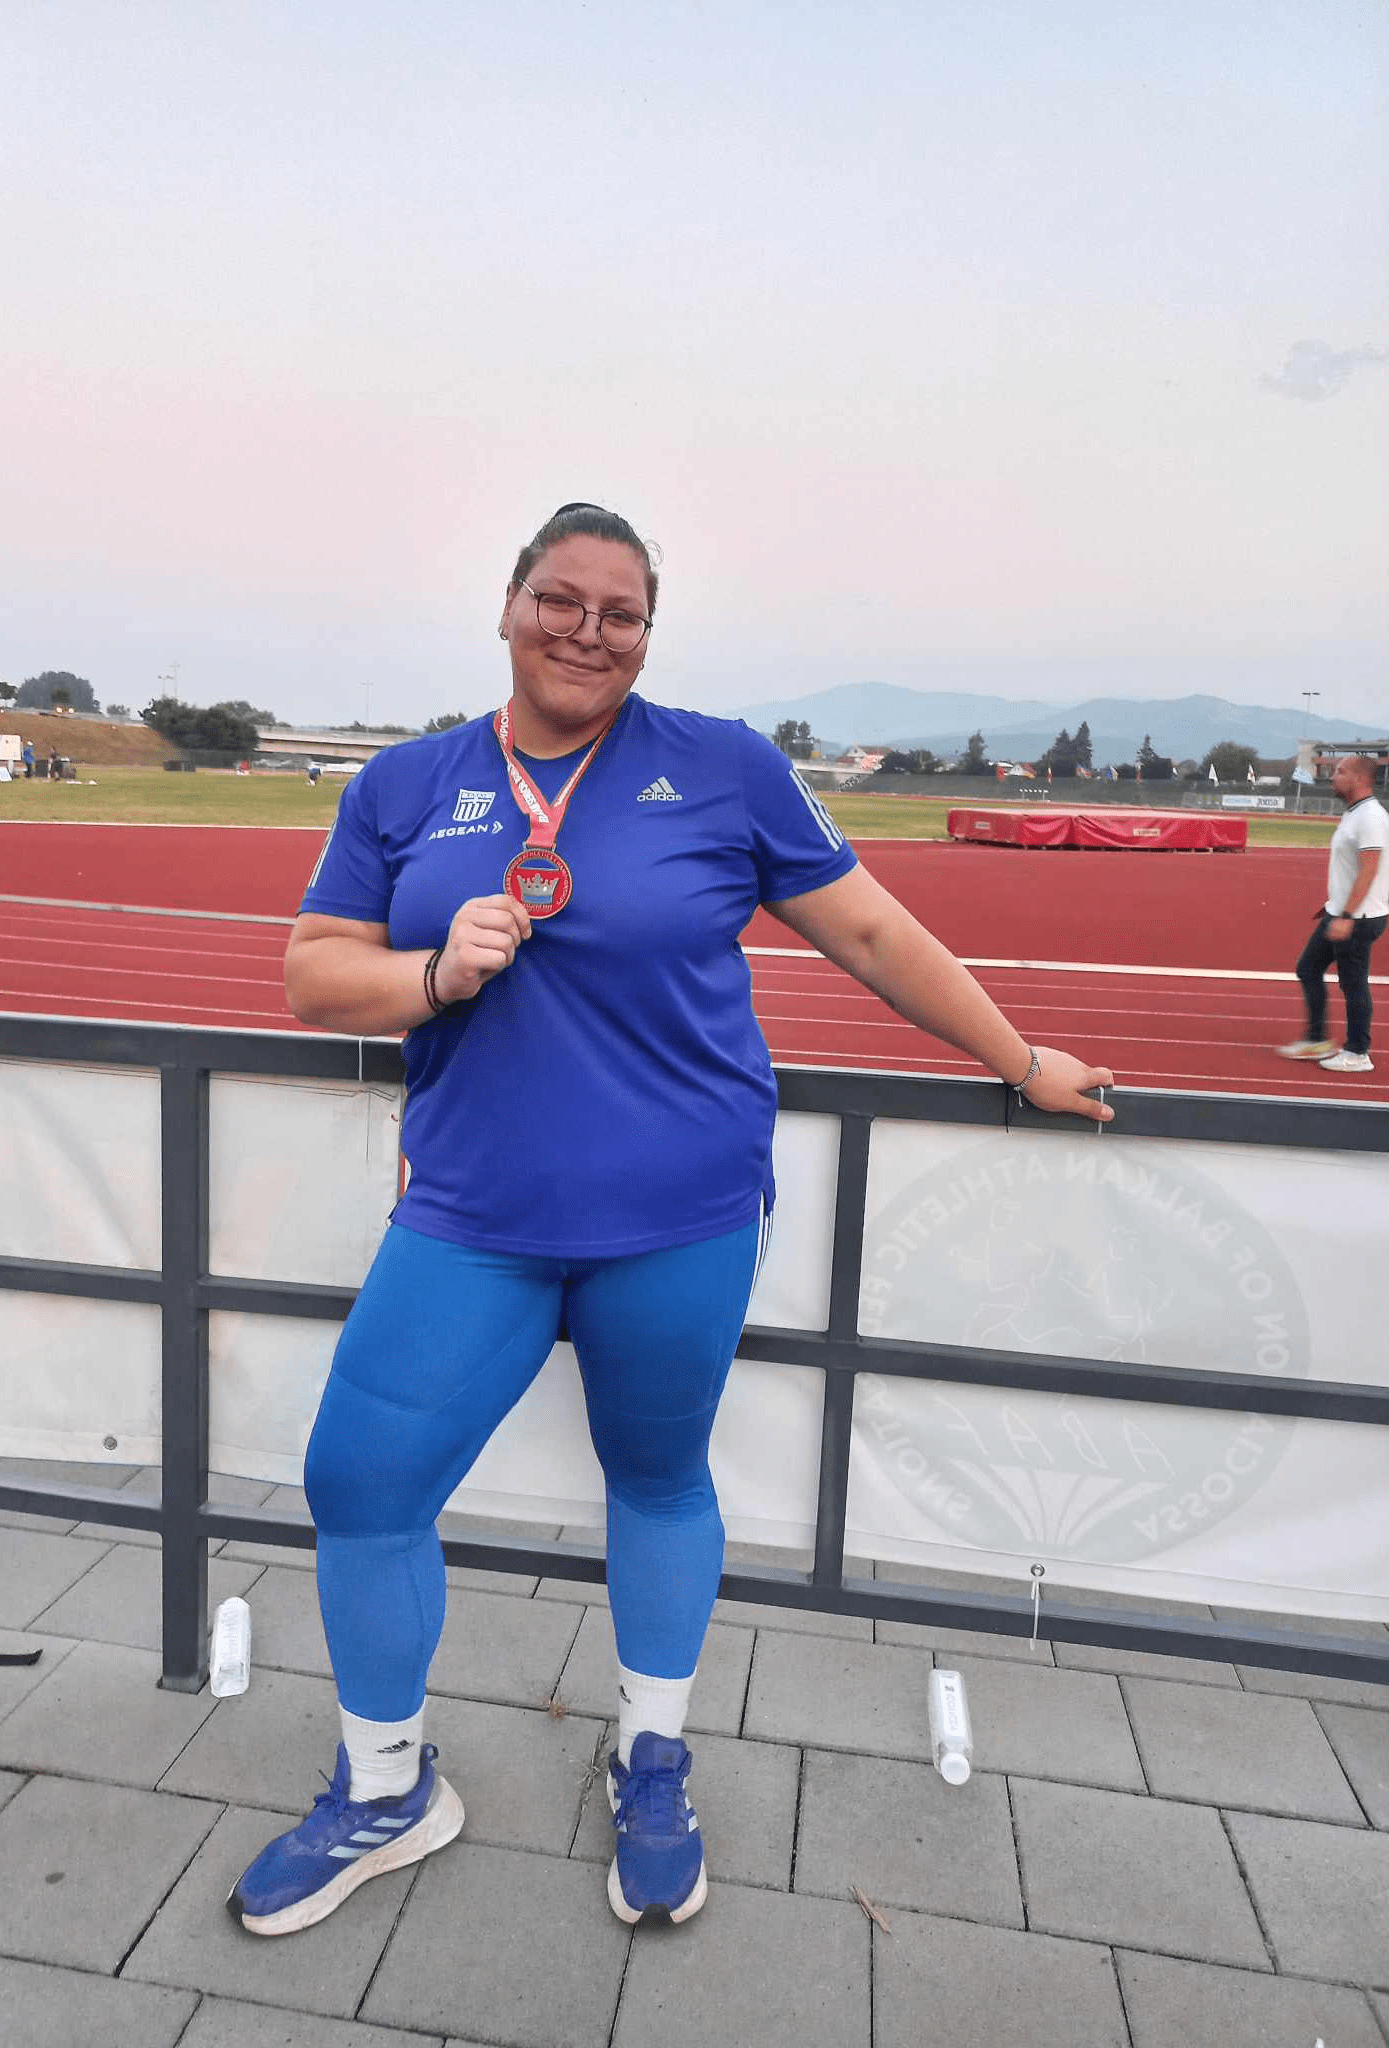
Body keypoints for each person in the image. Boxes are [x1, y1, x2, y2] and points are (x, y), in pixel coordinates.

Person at [226, 501, 1115, 1939]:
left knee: (655, 1477)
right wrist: (433, 972)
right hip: (471, 1215)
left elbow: (871, 931)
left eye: (621, 612)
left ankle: (651, 1758)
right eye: (559, 599)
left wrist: (1020, 1060)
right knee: (362, 1482)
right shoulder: (406, 783)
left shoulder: (723, 766)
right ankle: (388, 1788)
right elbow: (313, 972)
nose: (587, 631)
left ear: (649, 633)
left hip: (678, 1214)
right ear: (508, 605)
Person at [1278, 753, 1389, 1074]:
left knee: (1353, 984)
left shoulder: (1371, 817)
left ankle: (1358, 1052)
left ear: (1360, 778)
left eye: (1340, 771)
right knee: (1308, 968)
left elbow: (1369, 870)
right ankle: (1317, 1040)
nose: (1332, 776)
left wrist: (1346, 916)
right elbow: (1350, 868)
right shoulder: (1354, 813)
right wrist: (1334, 906)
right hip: (1340, 911)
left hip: (1358, 918)